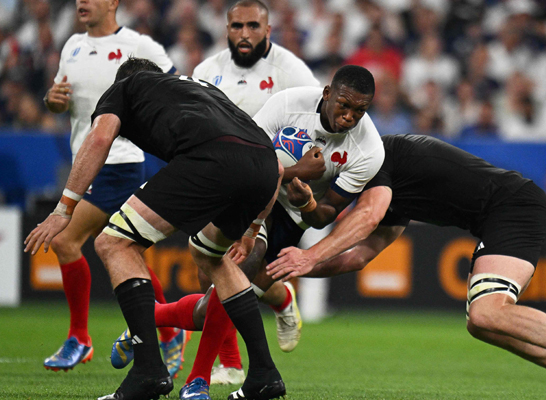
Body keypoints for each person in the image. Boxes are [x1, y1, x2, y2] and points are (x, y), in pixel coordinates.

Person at [266, 134, 546, 400]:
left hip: (514, 206)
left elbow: (366, 217)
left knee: (489, 311)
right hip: (498, 216)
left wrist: (308, 256)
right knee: (480, 323)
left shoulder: (377, 160)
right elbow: (358, 257)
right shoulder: (389, 186)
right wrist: (289, 269)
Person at [25, 57, 286, 400]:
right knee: (213, 257)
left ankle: (148, 369)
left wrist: (64, 209)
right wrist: (252, 231)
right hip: (265, 165)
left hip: (213, 159)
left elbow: (100, 139)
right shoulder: (201, 88)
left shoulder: (127, 86)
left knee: (113, 242)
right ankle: (264, 373)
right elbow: (278, 168)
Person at [199, 64, 382, 400]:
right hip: (253, 191)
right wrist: (297, 171)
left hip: (292, 216)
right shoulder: (288, 104)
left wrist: (310, 204)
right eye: (344, 105)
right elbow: (244, 161)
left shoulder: (369, 150)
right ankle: (277, 303)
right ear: (327, 93)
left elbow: (325, 215)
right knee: (211, 279)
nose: (349, 117)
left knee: (222, 291)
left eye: (360, 110)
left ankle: (175, 348)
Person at [41, 0, 184, 375]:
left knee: (65, 240)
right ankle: (169, 331)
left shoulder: (140, 45)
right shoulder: (71, 44)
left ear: (113, 3)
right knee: (126, 250)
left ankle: (80, 338)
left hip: (119, 163)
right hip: (86, 162)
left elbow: (177, 89)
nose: (81, 3)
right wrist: (52, 101)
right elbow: (63, 102)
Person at [185, 0, 320, 388]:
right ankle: (279, 299)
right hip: (221, 184)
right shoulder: (206, 72)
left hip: (274, 188)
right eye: (237, 26)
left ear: (268, 30)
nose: (244, 34)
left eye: (253, 27)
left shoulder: (291, 71)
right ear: (227, 28)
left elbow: (313, 126)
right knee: (209, 274)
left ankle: (226, 364)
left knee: (228, 271)